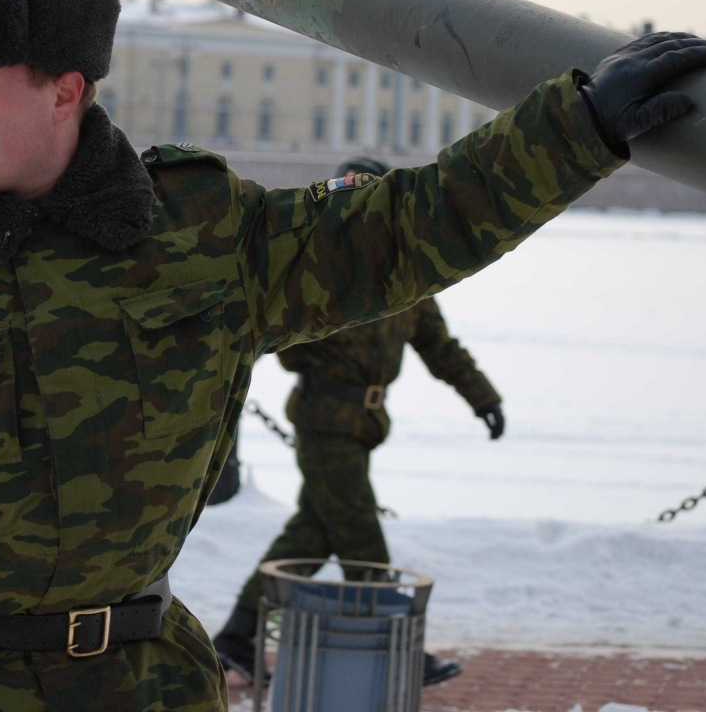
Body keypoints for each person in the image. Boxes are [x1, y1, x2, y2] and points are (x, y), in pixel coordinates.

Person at [0, 0, 706, 712]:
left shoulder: (197, 232)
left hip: (144, 685)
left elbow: (402, 231)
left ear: (65, 90)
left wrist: (576, 128)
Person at [213, 160, 502, 687]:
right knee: (359, 535)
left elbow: (439, 346)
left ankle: (237, 635)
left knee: (314, 532)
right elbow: (266, 330)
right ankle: (396, 644)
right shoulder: (315, 261)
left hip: (365, 423)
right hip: (323, 419)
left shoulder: (408, 267)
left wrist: (481, 395)